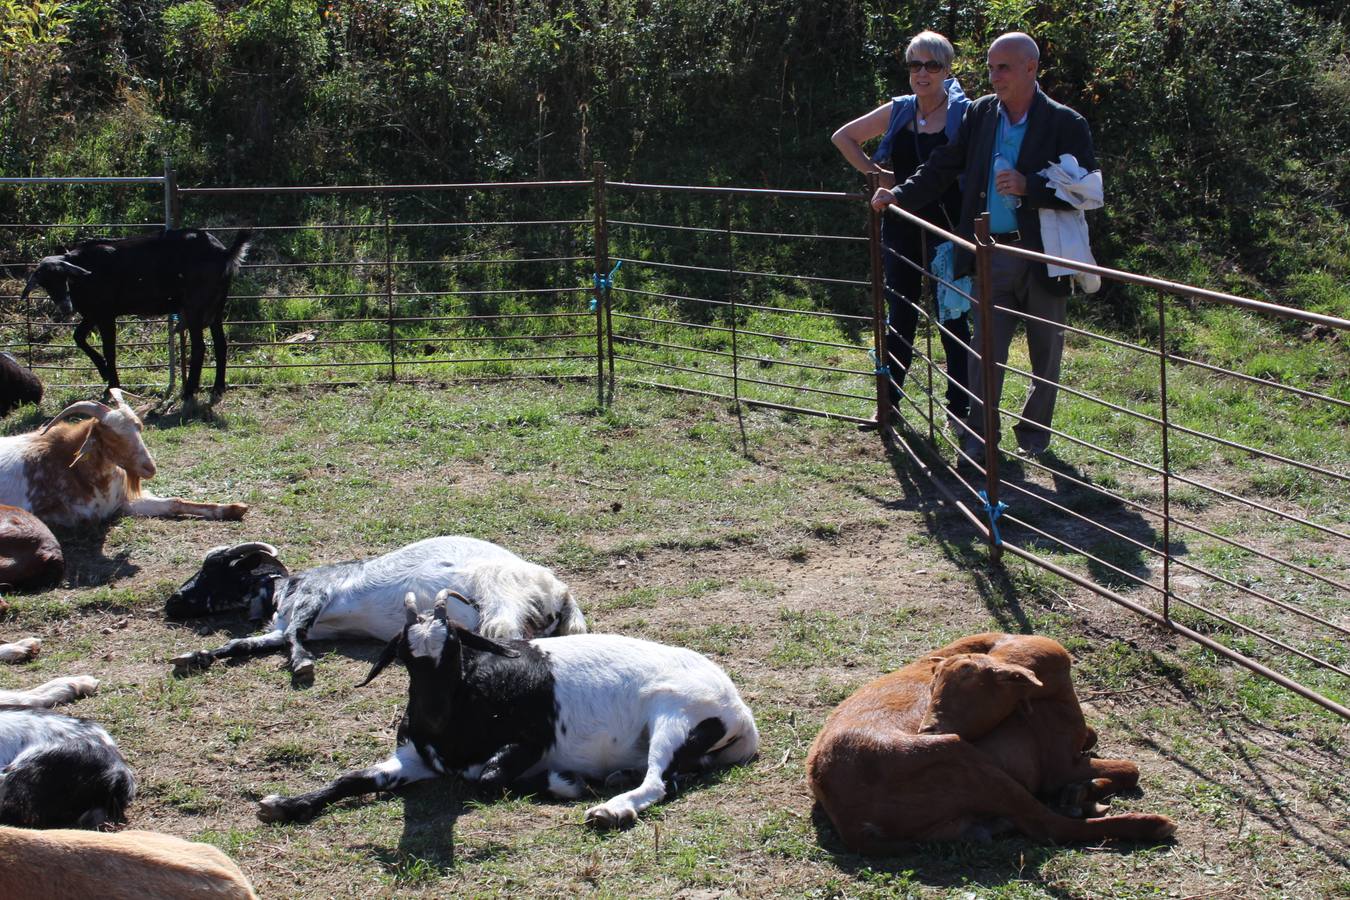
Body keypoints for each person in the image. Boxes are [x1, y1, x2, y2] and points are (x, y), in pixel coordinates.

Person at [871, 32, 1099, 460]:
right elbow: (942, 166)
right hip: (989, 252)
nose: (994, 76)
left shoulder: (1065, 122)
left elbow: (1089, 190)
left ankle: (1033, 438)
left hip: (1043, 254)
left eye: (1004, 68)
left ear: (1031, 69)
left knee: (1045, 352)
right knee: (984, 352)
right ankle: (979, 437)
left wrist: (1032, 188)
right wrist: (899, 194)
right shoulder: (980, 114)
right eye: (992, 67)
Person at [832, 30, 972, 430]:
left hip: (948, 228)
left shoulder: (964, 112)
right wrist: (878, 175)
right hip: (901, 225)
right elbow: (844, 137)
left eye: (932, 65)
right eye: (915, 64)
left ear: (947, 69)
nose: (922, 73)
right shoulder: (900, 110)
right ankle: (888, 403)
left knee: (953, 317)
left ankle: (959, 410)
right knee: (900, 313)